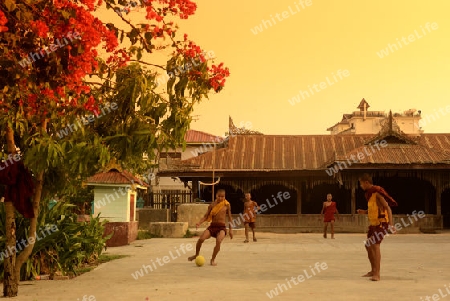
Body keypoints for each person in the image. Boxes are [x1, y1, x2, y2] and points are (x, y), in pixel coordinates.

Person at [356, 173, 397, 281]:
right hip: (374, 224)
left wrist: (391, 225)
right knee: (368, 245)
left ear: (366, 182)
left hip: (381, 223)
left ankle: (377, 274)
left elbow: (388, 208)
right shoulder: (369, 195)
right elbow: (373, 210)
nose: (361, 186)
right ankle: (373, 270)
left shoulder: (377, 194)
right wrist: (364, 212)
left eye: (361, 184)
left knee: (375, 245)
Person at [188, 189, 233, 266]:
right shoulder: (212, 205)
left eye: (223, 196)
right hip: (212, 226)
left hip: (221, 227)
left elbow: (230, 217)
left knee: (218, 241)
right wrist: (199, 223)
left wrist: (231, 229)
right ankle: (196, 254)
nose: (221, 198)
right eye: (219, 196)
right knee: (201, 239)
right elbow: (206, 216)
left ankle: (212, 259)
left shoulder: (226, 205)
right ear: (216, 195)